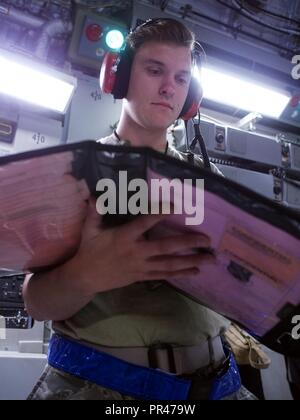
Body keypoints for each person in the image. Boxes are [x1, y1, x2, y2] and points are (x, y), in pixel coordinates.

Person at [24, 18, 254, 400]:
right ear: (119, 76)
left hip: (217, 384)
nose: (169, 87)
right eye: (154, 70)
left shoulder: (206, 178)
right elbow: (36, 301)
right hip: (106, 389)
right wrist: (86, 275)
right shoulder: (73, 172)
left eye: (182, 79)